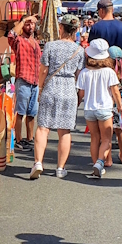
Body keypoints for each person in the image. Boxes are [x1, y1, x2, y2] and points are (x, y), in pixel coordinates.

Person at [31, 15, 85, 179]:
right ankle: (60, 168)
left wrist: (40, 87)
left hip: (51, 86)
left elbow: (44, 70)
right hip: (68, 88)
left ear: (61, 27)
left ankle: (38, 162)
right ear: (75, 30)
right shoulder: (79, 50)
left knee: (43, 127)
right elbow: (78, 73)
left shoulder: (50, 46)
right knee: (64, 130)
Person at [76, 38, 122, 178]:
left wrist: (76, 106)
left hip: (89, 109)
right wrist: (120, 106)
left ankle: (96, 165)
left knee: (94, 139)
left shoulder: (84, 72)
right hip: (105, 109)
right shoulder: (109, 72)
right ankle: (99, 162)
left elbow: (81, 93)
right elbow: (115, 91)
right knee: (106, 140)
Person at [7, 15, 42, 152]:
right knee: (20, 112)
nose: (31, 26)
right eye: (28, 24)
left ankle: (29, 138)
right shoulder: (19, 41)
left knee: (32, 113)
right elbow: (11, 35)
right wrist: (22, 21)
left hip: (35, 81)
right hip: (24, 79)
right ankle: (19, 139)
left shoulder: (36, 42)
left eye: (32, 24)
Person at [88, 0, 122, 83]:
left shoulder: (96, 27)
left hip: (101, 69)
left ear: (101, 10)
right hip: (119, 69)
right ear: (112, 9)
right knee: (119, 93)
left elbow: (91, 51)